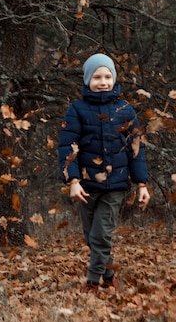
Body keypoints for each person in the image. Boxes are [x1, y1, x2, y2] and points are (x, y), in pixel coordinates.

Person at [58, 53, 150, 293]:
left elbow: (136, 149)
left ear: (114, 79)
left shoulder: (125, 110)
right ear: (88, 79)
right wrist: (74, 180)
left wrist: (142, 184)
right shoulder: (76, 110)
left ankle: (92, 282)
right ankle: (109, 276)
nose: (103, 82)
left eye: (108, 76)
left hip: (115, 186)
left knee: (101, 236)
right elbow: (67, 148)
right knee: (92, 237)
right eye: (97, 77)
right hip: (87, 185)